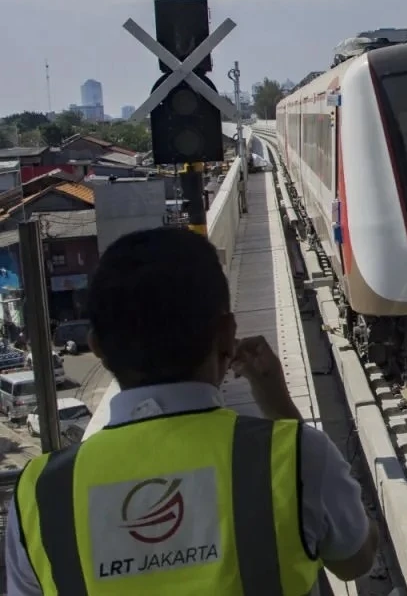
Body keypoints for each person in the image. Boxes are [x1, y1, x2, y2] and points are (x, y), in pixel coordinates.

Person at [5, 227, 379, 595]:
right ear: (227, 335)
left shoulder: (39, 493)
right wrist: (282, 411)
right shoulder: (296, 457)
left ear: (97, 348)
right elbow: (354, 560)